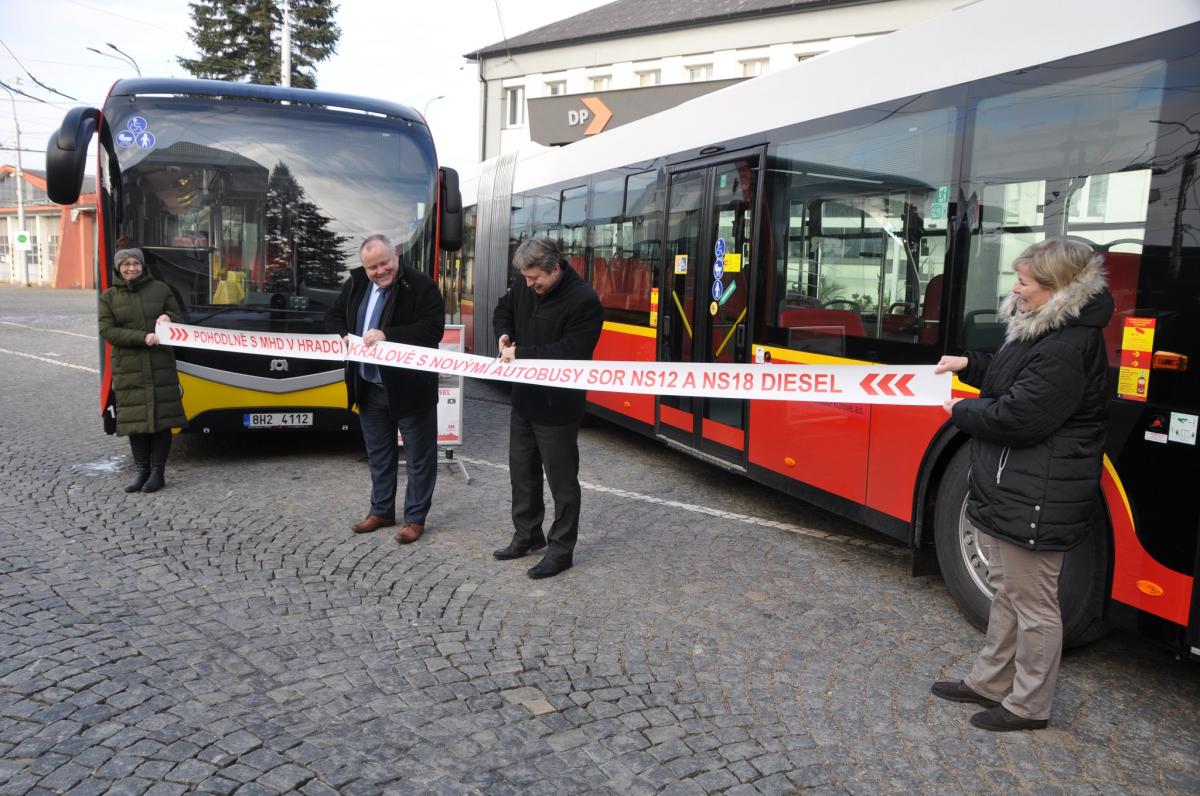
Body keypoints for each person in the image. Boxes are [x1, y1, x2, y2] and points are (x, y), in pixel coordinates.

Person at [930, 239, 1112, 731]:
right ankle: (989, 682)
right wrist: (968, 364)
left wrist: (959, 410)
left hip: (1038, 492)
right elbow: (1012, 376)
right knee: (1006, 590)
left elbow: (1018, 416)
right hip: (1017, 485)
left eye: (1026, 281)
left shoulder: (1068, 345)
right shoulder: (1047, 328)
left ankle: (1029, 705)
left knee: (1033, 604)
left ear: (1058, 289)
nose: (1016, 287)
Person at [492, 238, 604, 579]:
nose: (528, 285)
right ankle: (527, 534)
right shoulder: (524, 284)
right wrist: (505, 334)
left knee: (562, 482)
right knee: (522, 473)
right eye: (525, 278)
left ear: (555, 269)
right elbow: (503, 310)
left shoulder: (584, 300)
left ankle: (561, 549)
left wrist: (521, 354)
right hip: (524, 400)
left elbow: (573, 351)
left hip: (558, 406)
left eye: (534, 278)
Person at [326, 234, 445, 544]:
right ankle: (381, 510)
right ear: (364, 268)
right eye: (372, 267)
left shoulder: (421, 285)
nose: (379, 271)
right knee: (378, 455)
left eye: (384, 263)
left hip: (410, 389)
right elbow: (334, 315)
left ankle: (415, 519)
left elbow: (433, 329)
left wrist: (387, 335)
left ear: (396, 255)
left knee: (419, 457)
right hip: (368, 386)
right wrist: (342, 335)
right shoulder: (355, 284)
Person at [98, 247, 187, 493]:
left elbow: (180, 319)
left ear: (142, 265)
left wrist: (170, 319)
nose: (131, 268)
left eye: (135, 263)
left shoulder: (161, 289)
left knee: (161, 421)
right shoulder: (109, 297)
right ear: (118, 267)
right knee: (135, 424)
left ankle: (158, 472)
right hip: (129, 368)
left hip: (160, 364)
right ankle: (142, 471)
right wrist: (142, 337)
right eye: (125, 264)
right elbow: (107, 331)